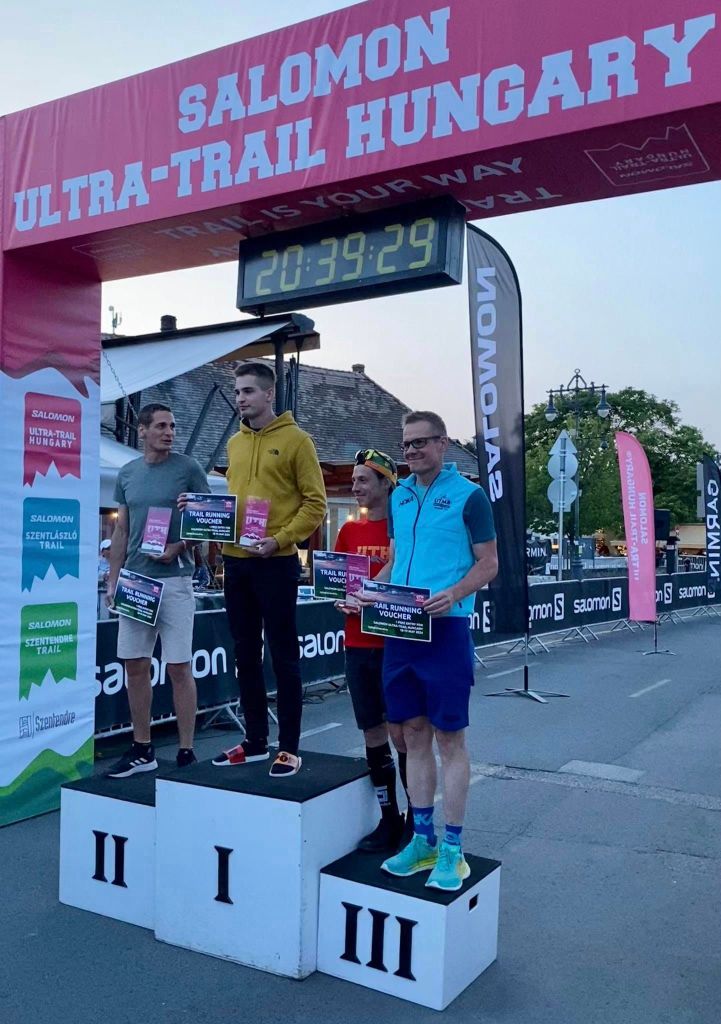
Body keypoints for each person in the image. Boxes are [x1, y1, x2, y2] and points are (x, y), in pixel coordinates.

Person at [364, 411, 497, 891]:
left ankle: (453, 849)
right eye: (406, 444)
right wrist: (366, 591)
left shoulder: (469, 495)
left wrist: (455, 593)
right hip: (401, 628)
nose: (412, 451)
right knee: (411, 735)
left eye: (421, 442)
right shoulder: (399, 495)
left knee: (449, 738)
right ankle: (422, 841)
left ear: (443, 443)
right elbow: (396, 560)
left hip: (446, 629)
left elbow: (489, 563)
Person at [212, 361, 326, 778]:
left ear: (268, 394)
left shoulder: (298, 441)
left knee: (283, 654)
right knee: (244, 654)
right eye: (237, 391)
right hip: (235, 561)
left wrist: (279, 539)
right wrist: (204, 518)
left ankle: (289, 747)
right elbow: (233, 503)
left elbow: (316, 504)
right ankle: (256, 740)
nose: (240, 398)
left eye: (247, 391)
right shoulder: (234, 444)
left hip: (276, 562)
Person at [105, 403, 209, 778]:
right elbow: (121, 529)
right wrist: (113, 578)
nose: (169, 432)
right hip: (136, 581)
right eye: (162, 426)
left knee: (179, 666)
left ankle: (186, 751)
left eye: (173, 426)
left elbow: (208, 520)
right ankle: (142, 748)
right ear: (143, 430)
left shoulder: (188, 468)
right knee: (135, 665)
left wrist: (179, 547)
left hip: (176, 580)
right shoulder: (128, 473)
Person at [334, 448, 411, 853]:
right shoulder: (348, 532)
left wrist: (369, 592)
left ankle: (417, 820)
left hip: (394, 645)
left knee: (406, 736)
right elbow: (338, 584)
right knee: (372, 734)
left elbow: (407, 577)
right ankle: (388, 818)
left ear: (386, 483)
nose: (355, 486)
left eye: (363, 479)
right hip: (357, 644)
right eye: (353, 480)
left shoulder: (405, 531)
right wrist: (340, 598)